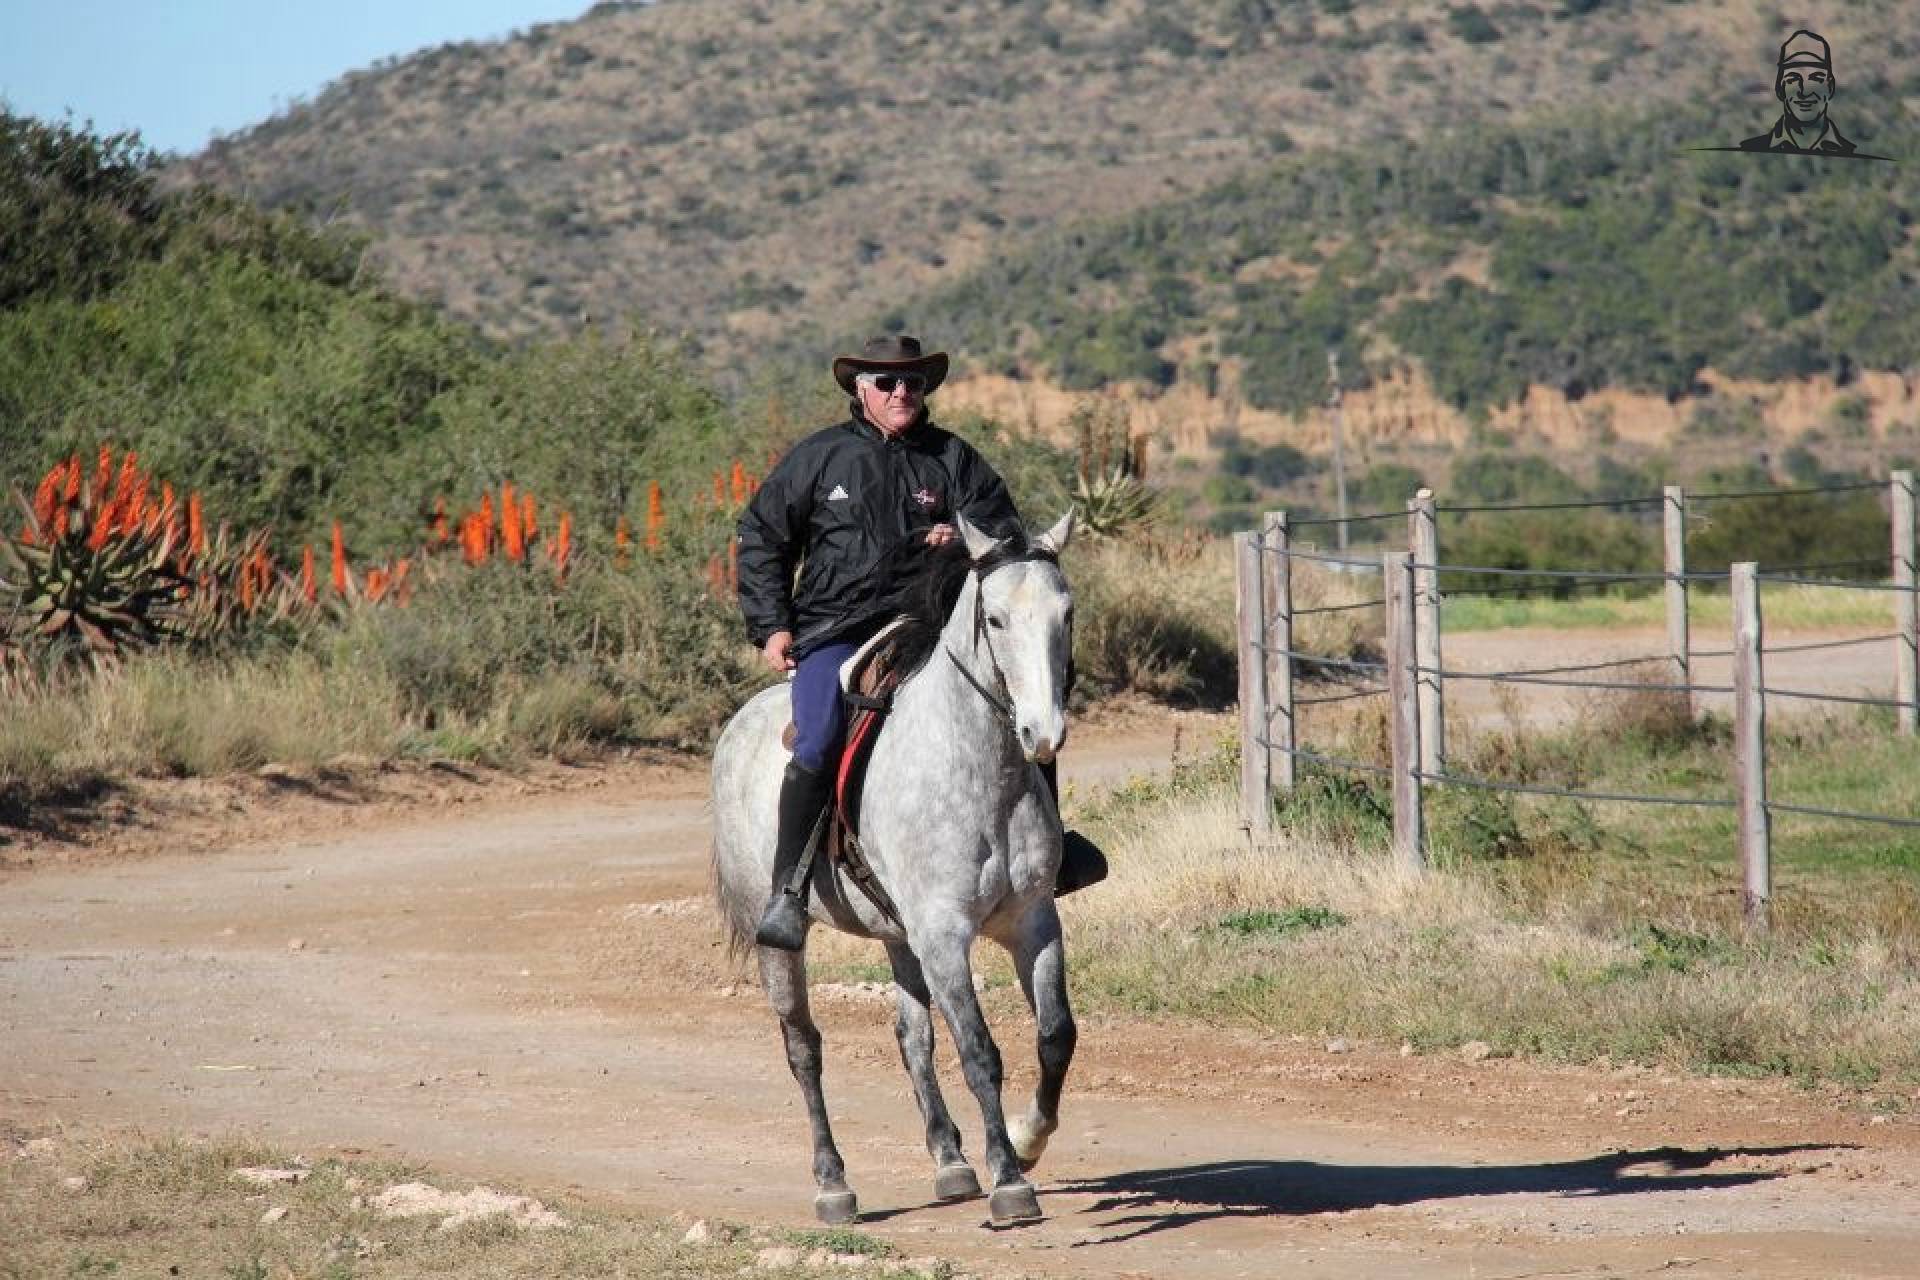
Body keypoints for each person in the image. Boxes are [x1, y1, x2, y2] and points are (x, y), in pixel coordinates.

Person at [736, 335, 1106, 950]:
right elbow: (762, 536)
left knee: (1030, 709)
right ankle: (789, 891)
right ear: (861, 389)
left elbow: (1009, 547)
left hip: (932, 628)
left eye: (912, 382)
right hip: (836, 627)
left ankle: (1055, 852)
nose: (901, 392)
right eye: (886, 382)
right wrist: (771, 624)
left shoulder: (955, 460)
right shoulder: (819, 458)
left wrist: (961, 545)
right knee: (821, 734)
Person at [1739, 30, 1856, 156]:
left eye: (1815, 79)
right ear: (1780, 89)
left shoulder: (1849, 150)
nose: (1803, 93)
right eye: (1792, 80)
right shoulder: (1757, 149)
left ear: (1830, 88)